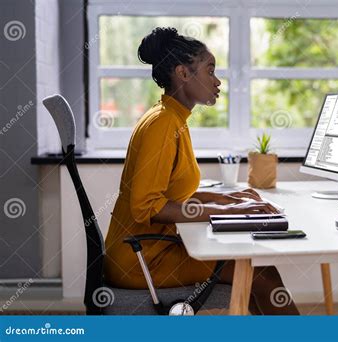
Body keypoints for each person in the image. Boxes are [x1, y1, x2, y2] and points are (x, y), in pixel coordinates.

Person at [104, 27, 299, 315]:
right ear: (183, 73)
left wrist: (224, 200)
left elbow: (171, 193)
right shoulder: (163, 124)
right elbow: (147, 208)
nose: (218, 81)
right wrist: (230, 213)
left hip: (150, 248)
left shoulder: (171, 118)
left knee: (259, 268)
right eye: (210, 71)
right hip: (142, 260)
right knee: (261, 273)